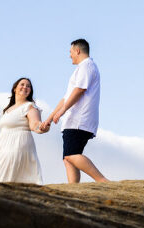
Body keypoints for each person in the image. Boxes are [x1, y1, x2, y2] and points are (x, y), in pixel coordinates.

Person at [41, 38, 109, 183]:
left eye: (70, 52)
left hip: (79, 119)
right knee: (68, 158)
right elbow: (66, 98)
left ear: (77, 51)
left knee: (71, 155)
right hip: (72, 120)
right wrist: (49, 118)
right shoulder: (80, 69)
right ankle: (74, 189)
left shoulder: (87, 66)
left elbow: (80, 90)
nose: (69, 55)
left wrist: (62, 111)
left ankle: (103, 181)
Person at [0, 77, 47, 184]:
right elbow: (3, 132)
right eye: (22, 84)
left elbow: (35, 124)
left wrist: (41, 128)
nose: (25, 87)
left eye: (28, 86)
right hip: (3, 146)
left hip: (18, 143)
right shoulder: (7, 110)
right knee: (0, 176)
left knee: (7, 175)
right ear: (15, 88)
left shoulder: (30, 106)